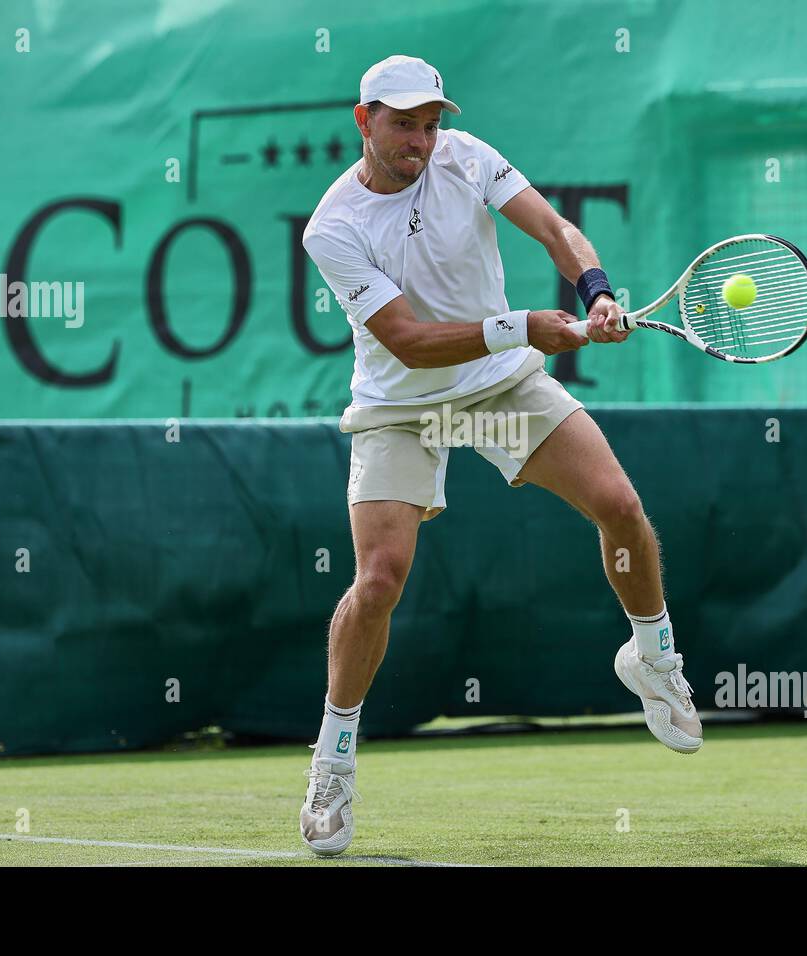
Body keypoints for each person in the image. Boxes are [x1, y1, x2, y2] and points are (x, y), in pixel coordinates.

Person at [298, 54, 701, 857]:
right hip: (401, 408)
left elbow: (553, 229)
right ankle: (333, 758)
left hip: (498, 395)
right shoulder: (333, 227)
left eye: (430, 121)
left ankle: (653, 656)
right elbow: (408, 344)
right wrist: (524, 325)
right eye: (403, 123)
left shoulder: (467, 156)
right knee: (378, 581)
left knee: (619, 506)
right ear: (364, 120)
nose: (420, 138)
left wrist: (597, 291)